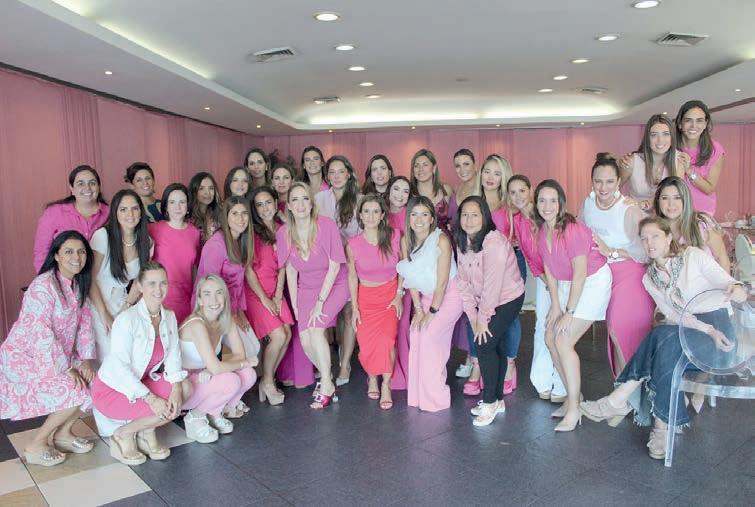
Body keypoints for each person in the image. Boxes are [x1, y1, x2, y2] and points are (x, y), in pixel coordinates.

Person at [580, 217, 747, 459]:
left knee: (662, 338)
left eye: (655, 236)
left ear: (669, 237)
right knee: (665, 348)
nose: (650, 243)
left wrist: (737, 290)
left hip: (720, 337)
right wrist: (706, 329)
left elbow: (726, 281)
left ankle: (621, 399)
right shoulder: (650, 278)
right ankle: (661, 428)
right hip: (692, 332)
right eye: (644, 239)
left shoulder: (693, 256)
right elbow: (676, 316)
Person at [0, 231, 96, 467]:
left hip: (59, 355)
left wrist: (85, 360)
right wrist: (66, 369)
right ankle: (36, 445)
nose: (76, 257)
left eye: (81, 252)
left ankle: (63, 434)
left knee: (95, 381)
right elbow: (40, 332)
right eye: (69, 251)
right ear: (56, 256)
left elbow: (85, 325)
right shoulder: (43, 286)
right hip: (27, 357)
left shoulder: (78, 285)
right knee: (73, 388)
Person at [91, 262, 189, 465]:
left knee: (185, 390)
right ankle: (123, 434)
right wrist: (151, 399)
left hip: (143, 382)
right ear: (140, 287)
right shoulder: (127, 319)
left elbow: (173, 355)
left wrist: (177, 387)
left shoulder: (169, 316)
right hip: (112, 389)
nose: (158, 289)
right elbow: (119, 368)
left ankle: (146, 431)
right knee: (163, 408)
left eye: (163, 283)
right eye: (151, 284)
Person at [534, 179, 612, 432]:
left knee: (563, 340)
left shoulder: (572, 229)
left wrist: (570, 312)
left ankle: (574, 409)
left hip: (591, 282)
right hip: (568, 285)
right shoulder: (543, 230)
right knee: (549, 337)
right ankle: (573, 396)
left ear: (561, 203)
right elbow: (549, 270)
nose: (547, 206)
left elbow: (580, 274)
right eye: (542, 200)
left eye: (552, 201)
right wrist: (556, 306)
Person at [277, 182, 350, 409]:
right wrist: (296, 304)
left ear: (311, 203)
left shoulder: (326, 225)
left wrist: (320, 303)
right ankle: (328, 378)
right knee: (307, 342)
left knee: (317, 328)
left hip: (335, 283)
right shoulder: (283, 233)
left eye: (305, 199)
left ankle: (326, 384)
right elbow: (291, 271)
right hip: (306, 287)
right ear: (289, 206)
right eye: (295, 200)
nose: (300, 204)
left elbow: (335, 266)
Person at [580, 153, 654, 375]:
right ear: (592, 181)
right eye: (598, 181)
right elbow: (579, 235)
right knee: (614, 335)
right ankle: (623, 386)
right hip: (601, 275)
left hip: (630, 275)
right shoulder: (588, 204)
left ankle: (631, 385)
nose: (603, 188)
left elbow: (646, 250)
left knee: (617, 329)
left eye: (610, 181)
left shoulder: (628, 209)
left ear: (619, 182)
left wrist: (611, 251)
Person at [454, 196, 525, 426]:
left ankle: (490, 401)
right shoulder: (462, 240)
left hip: (508, 297)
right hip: (484, 300)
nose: (469, 220)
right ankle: (498, 400)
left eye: (475, 215)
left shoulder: (493, 243)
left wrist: (482, 319)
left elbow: (492, 287)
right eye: (465, 215)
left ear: (484, 217)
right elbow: (463, 283)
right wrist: (473, 317)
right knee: (494, 344)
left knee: (484, 344)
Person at [397, 196, 463, 412]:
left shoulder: (441, 240)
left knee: (429, 336)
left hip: (449, 298)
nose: (419, 220)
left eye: (424, 214)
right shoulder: (406, 241)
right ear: (408, 218)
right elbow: (410, 277)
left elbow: (442, 282)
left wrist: (432, 312)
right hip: (425, 298)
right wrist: (418, 310)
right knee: (416, 333)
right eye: (414, 214)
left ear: (432, 218)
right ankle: (418, 397)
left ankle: (436, 398)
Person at [179, 275, 258, 442]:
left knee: (248, 374)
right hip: (183, 387)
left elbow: (239, 355)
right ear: (199, 300)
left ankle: (215, 411)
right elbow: (225, 365)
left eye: (219, 293)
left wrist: (215, 369)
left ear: (225, 297)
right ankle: (195, 417)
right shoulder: (197, 324)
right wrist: (237, 364)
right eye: (207, 294)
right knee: (231, 379)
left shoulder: (225, 321)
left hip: (204, 377)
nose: (214, 300)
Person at [507, 175, 566, 401]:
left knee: (559, 327)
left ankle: (562, 383)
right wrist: (543, 279)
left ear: (531, 190)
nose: (518, 196)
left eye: (522, 191)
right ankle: (542, 379)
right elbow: (529, 257)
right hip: (543, 279)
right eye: (513, 192)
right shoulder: (517, 221)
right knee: (542, 324)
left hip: (562, 277)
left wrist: (554, 282)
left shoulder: (545, 214)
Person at [347, 194, 403, 409]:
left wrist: (399, 295)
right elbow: (352, 277)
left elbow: (404, 267)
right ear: (360, 215)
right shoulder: (353, 244)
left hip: (389, 297)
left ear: (382, 216)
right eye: (366, 211)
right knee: (367, 344)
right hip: (366, 299)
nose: (371, 216)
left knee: (387, 340)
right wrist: (355, 308)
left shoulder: (395, 236)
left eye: (375, 211)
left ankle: (386, 384)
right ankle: (372, 377)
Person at [90, 189, 153, 362]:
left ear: (141, 212)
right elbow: (90, 279)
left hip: (123, 303)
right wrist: (104, 314)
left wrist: (128, 306)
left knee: (132, 353)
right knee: (110, 355)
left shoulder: (146, 242)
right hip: (97, 304)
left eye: (135, 208)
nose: (130, 214)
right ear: (115, 213)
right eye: (123, 209)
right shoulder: (102, 236)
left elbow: (140, 281)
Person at [315, 155, 361, 384]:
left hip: (352, 263)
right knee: (324, 313)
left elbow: (365, 234)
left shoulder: (359, 200)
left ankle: (345, 365)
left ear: (349, 173)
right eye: (331, 172)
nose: (336, 176)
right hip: (325, 266)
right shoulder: (319, 199)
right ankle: (323, 363)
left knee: (348, 314)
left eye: (340, 171)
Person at [246, 186, 294, 404]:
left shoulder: (282, 230)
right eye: (259, 204)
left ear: (276, 204)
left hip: (275, 289)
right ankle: (267, 382)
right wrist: (265, 299)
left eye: (268, 202)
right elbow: (247, 270)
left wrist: (277, 295)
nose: (265, 208)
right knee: (279, 336)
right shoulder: (252, 233)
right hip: (255, 291)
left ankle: (267, 379)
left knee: (287, 334)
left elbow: (283, 266)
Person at [195, 196, 256, 354]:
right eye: (234, 213)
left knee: (254, 347)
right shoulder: (216, 245)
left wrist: (240, 312)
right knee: (248, 351)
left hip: (233, 308)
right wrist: (231, 316)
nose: (240, 219)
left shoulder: (240, 242)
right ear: (226, 218)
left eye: (244, 213)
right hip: (213, 310)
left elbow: (239, 284)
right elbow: (211, 290)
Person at [33, 165, 109, 271]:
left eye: (92, 183)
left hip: (100, 275)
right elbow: (41, 254)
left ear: (99, 187)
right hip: (63, 276)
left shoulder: (110, 213)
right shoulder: (54, 213)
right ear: (72, 189)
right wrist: (50, 279)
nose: (87, 188)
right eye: (80, 183)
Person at [653, 176, 729, 273]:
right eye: (665, 198)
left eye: (677, 198)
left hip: (710, 281)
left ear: (685, 199)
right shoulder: (654, 230)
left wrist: (727, 282)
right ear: (658, 201)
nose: (671, 204)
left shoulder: (702, 223)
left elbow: (721, 258)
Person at [149, 183, 200, 323]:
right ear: (166, 206)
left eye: (182, 202)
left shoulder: (194, 232)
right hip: (159, 298)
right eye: (172, 202)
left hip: (186, 299)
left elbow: (194, 268)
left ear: (188, 206)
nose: (177, 207)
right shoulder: (153, 229)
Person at [617, 114, 688, 212]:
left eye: (665, 134)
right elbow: (612, 189)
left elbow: (676, 194)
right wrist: (625, 204)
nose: (660, 140)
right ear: (647, 138)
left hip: (665, 216)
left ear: (672, 137)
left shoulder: (679, 159)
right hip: (635, 214)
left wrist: (647, 204)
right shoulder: (632, 161)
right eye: (654, 135)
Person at [384, 175, 412, 391]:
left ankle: (405, 374)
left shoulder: (410, 215)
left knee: (402, 326)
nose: (400, 195)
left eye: (405, 191)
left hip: (405, 279)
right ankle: (385, 371)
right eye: (396, 189)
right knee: (386, 330)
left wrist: (401, 288)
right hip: (381, 280)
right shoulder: (379, 213)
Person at [675, 100, 725, 215]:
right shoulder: (670, 147)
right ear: (680, 123)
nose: (694, 126)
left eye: (699, 121)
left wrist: (689, 171)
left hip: (702, 213)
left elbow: (709, 189)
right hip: (674, 211)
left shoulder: (715, 149)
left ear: (705, 124)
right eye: (688, 120)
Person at [410, 149, 453, 234]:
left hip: (443, 239)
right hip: (416, 240)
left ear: (434, 168)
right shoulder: (408, 193)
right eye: (416, 166)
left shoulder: (446, 190)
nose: (420, 169)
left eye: (425, 165)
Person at [448, 149, 480, 232]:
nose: (462, 170)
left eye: (466, 164)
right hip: (454, 237)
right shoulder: (457, 188)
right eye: (458, 166)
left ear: (475, 165)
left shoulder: (483, 189)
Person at [188, 171, 221, 246]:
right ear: (194, 192)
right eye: (201, 188)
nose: (207, 193)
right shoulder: (188, 218)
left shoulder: (219, 214)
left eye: (211, 188)